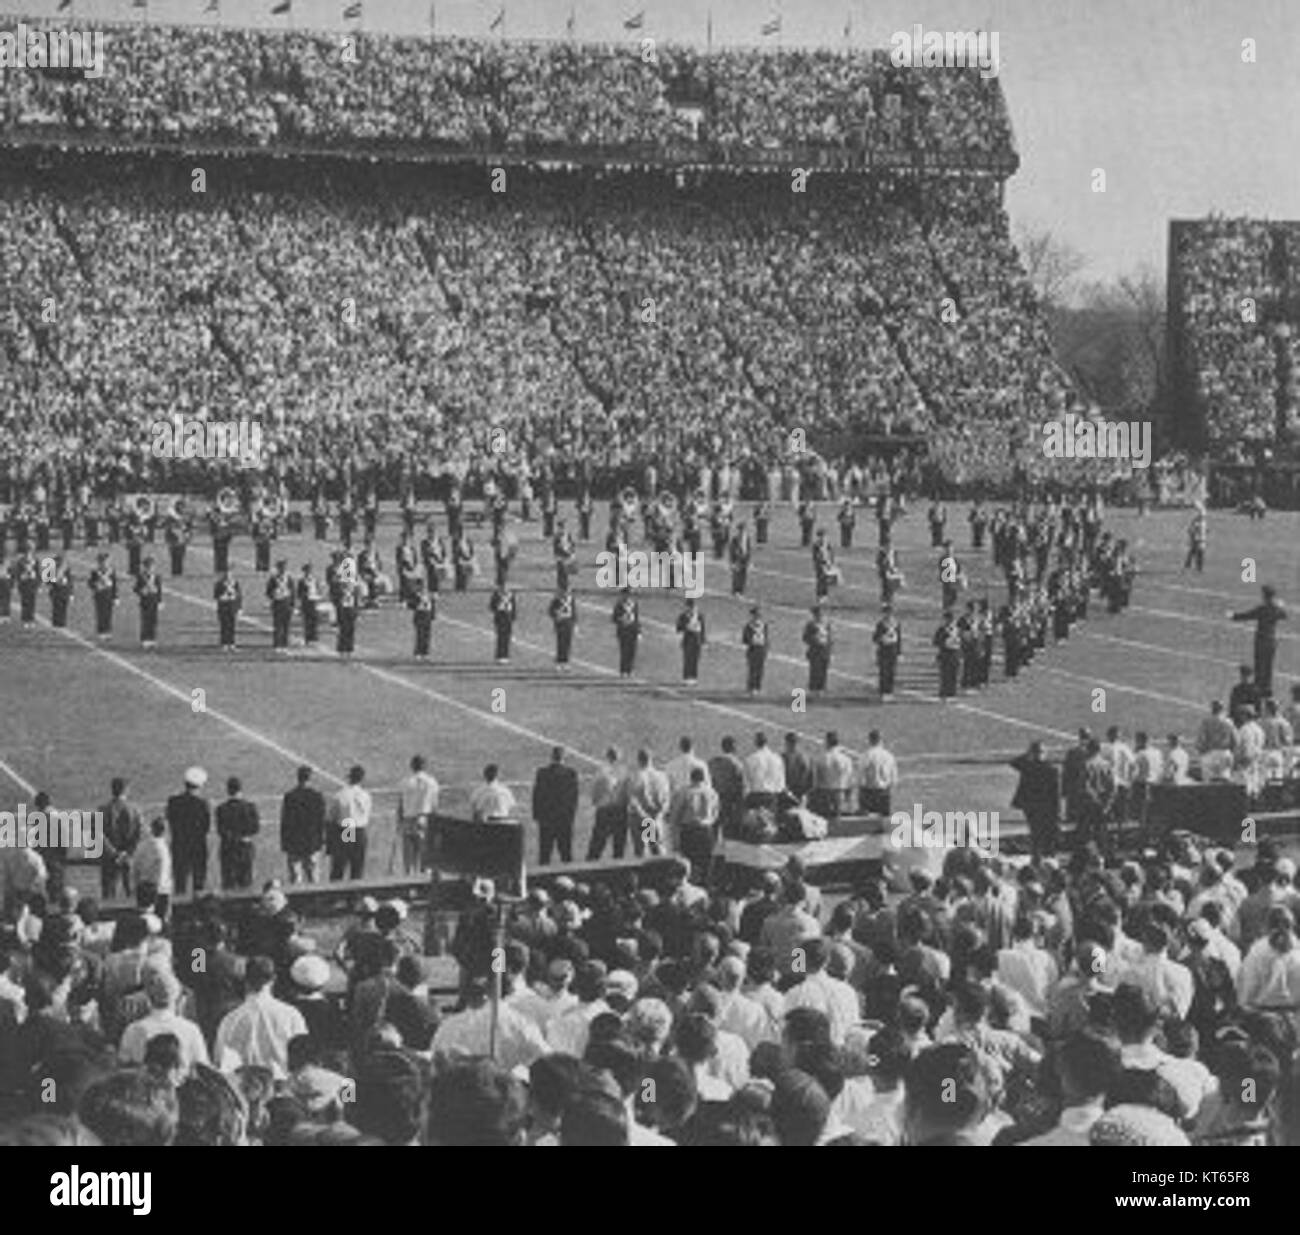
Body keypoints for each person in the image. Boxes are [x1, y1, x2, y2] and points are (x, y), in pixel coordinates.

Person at [213, 956, 308, 1080]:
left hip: (245, 1090)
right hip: (282, 1087)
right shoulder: (292, 1015)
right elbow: (304, 1058)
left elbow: (220, 1061)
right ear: (274, 979)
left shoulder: (230, 1020)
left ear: (245, 980)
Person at [1230, 586, 1287, 699]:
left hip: (1261, 641)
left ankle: (1258, 689)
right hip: (1271, 641)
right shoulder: (1276, 608)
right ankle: (1267, 689)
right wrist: (1280, 605)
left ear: (1264, 596)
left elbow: (1247, 615)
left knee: (1259, 666)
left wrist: (1233, 616)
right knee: (1268, 666)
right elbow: (1284, 615)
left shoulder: (1262, 609)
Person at [1010, 741, 1061, 858]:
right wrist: (1057, 813)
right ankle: (1048, 858)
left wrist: (1027, 754)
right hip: (1046, 808)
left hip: (1030, 806)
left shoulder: (1028, 765)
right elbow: (1055, 794)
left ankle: (1036, 858)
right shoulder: (1052, 769)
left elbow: (1014, 762)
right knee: (1046, 834)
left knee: (1035, 834)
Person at [666, 766, 720, 874]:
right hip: (706, 831)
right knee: (705, 864)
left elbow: (675, 815)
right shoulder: (712, 793)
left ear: (691, 778)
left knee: (688, 863)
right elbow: (715, 814)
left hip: (689, 831)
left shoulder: (684, 792)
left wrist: (674, 837)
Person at [167, 767, 211, 897]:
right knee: (199, 884)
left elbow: (171, 821)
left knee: (180, 884)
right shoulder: (203, 804)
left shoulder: (173, 802)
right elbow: (206, 827)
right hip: (198, 847)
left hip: (179, 846)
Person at [533, 747, 579, 866]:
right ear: (563, 758)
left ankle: (542, 881)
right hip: (564, 820)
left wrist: (537, 816)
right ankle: (570, 880)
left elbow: (537, 795)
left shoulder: (542, 773)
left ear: (552, 757)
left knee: (544, 854)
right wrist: (571, 817)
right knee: (566, 854)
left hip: (546, 820)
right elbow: (574, 799)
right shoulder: (571, 773)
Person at [280, 765, 326, 885]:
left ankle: (296, 902)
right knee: (314, 877)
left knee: (295, 878)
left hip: (294, 842)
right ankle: (316, 901)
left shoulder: (290, 796)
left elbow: (285, 822)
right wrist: (321, 841)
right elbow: (321, 821)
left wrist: (285, 843)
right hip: (312, 841)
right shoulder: (317, 796)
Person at [99, 777, 142, 902]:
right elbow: (138, 834)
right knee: (132, 893)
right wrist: (127, 852)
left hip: (108, 857)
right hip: (129, 857)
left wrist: (114, 853)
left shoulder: (102, 809)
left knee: (108, 894)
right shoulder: (135, 810)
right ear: (126, 790)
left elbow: (98, 834)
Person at [327, 765, 372, 881]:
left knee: (339, 866)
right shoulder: (365, 795)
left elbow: (331, 816)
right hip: (360, 830)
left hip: (347, 828)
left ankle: (336, 895)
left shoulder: (341, 794)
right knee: (357, 868)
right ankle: (355, 896)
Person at [215, 776, 260, 892]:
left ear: (228, 790)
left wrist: (233, 837)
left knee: (228, 885)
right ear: (241, 789)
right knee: (246, 884)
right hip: (245, 849)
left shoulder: (221, 809)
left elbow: (221, 831)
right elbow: (255, 828)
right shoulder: (250, 807)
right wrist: (242, 837)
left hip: (228, 849)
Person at [398, 755, 439, 875]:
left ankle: (409, 887)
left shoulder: (405, 782)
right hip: (424, 820)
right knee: (425, 860)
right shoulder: (432, 782)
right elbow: (434, 805)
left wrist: (399, 822)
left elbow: (401, 804)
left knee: (408, 861)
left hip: (408, 820)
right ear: (424, 766)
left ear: (412, 766)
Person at [586, 747, 628, 861]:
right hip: (623, 812)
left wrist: (596, 803)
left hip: (604, 811)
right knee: (619, 846)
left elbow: (595, 792)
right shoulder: (624, 772)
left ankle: (590, 871)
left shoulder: (601, 771)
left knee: (597, 845)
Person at [859, 730, 898, 817]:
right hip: (884, 792)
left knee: (867, 821)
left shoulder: (866, 755)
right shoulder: (889, 756)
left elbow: (861, 778)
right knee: (884, 820)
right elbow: (894, 780)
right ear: (881, 740)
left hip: (869, 792)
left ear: (869, 740)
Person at [873, 602, 902, 700]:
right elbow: (875, 638)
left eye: (890, 613)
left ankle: (890, 691)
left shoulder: (896, 624)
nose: (888, 615)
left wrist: (899, 652)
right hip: (883, 650)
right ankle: (883, 691)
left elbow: (899, 639)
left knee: (892, 671)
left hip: (892, 650)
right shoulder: (881, 624)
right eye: (886, 613)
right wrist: (882, 637)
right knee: (884, 672)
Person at [802, 603, 832, 697]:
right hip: (815, 650)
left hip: (824, 650)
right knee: (815, 669)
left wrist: (830, 647)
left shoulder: (826, 624)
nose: (820, 615)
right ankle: (814, 689)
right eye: (818, 613)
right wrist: (814, 640)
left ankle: (821, 688)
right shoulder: (811, 625)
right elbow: (805, 637)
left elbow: (829, 637)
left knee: (824, 669)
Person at [266, 559, 295, 652]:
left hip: (286, 602)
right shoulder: (274, 578)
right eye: (281, 567)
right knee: (278, 624)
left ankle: (285, 644)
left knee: (286, 625)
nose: (283, 569)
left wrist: (292, 604)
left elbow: (293, 591)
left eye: (284, 567)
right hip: (278, 602)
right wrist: (274, 595)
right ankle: (277, 644)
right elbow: (268, 591)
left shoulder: (288, 578)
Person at [676, 597, 706, 685]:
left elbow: (703, 628)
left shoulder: (699, 615)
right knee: (687, 658)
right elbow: (678, 628)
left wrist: (703, 640)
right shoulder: (683, 616)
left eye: (691, 607)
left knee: (695, 659)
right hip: (687, 639)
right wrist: (686, 626)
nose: (689, 608)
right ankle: (686, 677)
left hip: (696, 639)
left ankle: (693, 677)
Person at [88, 552, 118, 640]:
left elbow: (115, 584)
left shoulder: (111, 571)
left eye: (107, 561)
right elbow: (90, 583)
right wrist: (96, 585)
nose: (105, 563)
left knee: (109, 614)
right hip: (99, 595)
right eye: (103, 561)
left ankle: (108, 631)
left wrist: (115, 596)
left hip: (109, 594)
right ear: (99, 562)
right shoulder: (95, 572)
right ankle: (101, 631)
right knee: (101, 613)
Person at [612, 587, 640, 678]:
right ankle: (623, 670)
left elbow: (637, 619)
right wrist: (621, 619)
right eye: (627, 594)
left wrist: (639, 631)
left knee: (632, 651)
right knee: (624, 651)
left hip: (632, 630)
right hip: (623, 631)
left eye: (630, 595)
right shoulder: (619, 605)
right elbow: (614, 618)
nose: (629, 596)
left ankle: (630, 670)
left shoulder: (634, 604)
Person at [548, 585, 578, 670]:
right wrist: (556, 616)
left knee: (567, 643)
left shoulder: (571, 599)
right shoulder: (557, 599)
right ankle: (559, 661)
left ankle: (565, 661)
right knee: (560, 643)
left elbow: (574, 612)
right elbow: (551, 610)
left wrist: (575, 624)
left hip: (568, 623)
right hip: (560, 623)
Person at [741, 604, 768, 696]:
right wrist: (751, 640)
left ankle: (757, 686)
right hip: (753, 649)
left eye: (758, 615)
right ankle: (751, 687)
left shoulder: (764, 625)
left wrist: (765, 648)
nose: (757, 617)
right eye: (755, 615)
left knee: (760, 669)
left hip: (761, 649)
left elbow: (766, 637)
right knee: (752, 669)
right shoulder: (749, 626)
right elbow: (744, 639)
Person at [489, 582, 517, 663]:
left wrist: (513, 616)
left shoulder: (511, 595)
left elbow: (514, 606)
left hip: (508, 618)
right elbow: (491, 606)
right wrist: (498, 606)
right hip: (500, 618)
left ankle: (506, 655)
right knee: (500, 637)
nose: (506, 588)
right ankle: (499, 655)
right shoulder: (497, 595)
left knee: (507, 637)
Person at [214, 570, 241, 651]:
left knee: (232, 626)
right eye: (228, 575)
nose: (230, 577)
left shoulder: (235, 583)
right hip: (223, 607)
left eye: (231, 575)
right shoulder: (219, 584)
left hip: (232, 607)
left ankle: (232, 643)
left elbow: (239, 595)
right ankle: (224, 643)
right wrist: (223, 597)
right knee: (224, 626)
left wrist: (239, 607)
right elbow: (216, 595)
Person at [410, 577, 435, 659]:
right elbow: (412, 605)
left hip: (427, 615)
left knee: (427, 635)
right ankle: (418, 652)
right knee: (420, 635)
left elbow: (432, 605)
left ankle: (425, 652)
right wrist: (418, 600)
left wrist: (432, 615)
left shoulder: (428, 594)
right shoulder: (415, 594)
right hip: (420, 615)